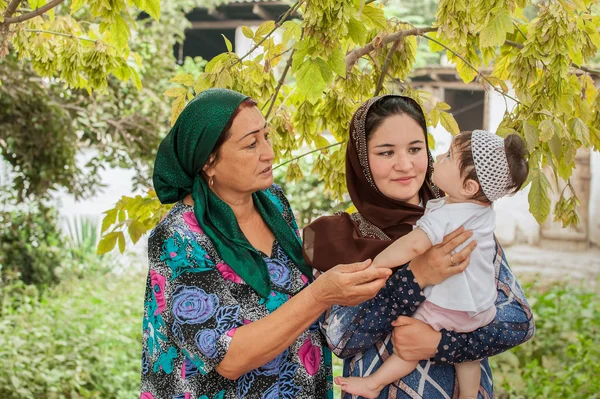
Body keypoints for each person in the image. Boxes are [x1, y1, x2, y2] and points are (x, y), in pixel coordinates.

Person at [139, 88, 461, 399]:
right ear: (208, 161)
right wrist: (321, 295)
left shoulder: (272, 204)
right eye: (251, 144)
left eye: (266, 136)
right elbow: (229, 357)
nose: (269, 152)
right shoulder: (178, 238)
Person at [304, 95, 535, 398]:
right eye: (386, 152)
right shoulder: (335, 238)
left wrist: (441, 344)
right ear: (362, 159)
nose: (405, 165)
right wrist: (416, 277)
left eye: (415, 149)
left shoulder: (460, 218)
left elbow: (519, 321)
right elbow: (341, 337)